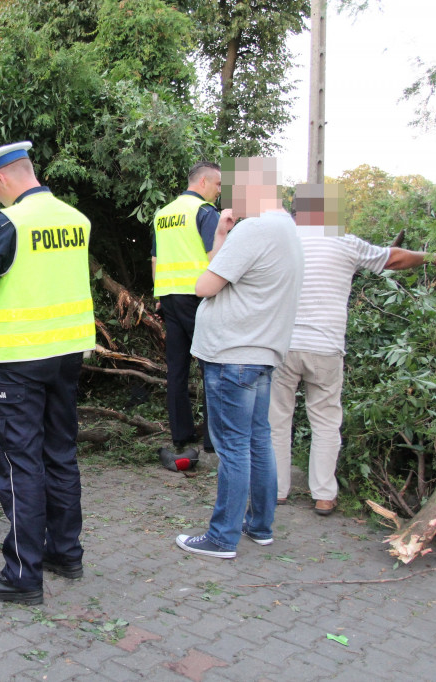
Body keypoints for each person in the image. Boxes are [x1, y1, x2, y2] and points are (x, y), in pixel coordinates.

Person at [0, 141, 95, 604]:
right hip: (67, 356)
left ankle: (22, 574)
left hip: (20, 360)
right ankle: (65, 552)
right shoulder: (75, 219)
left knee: (20, 464)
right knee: (60, 453)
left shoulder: (8, 223)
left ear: (0, 178)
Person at [270, 184, 433, 515]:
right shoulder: (345, 242)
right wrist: (431, 256)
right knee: (326, 419)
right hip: (326, 347)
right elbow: (396, 257)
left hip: (282, 344)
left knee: (277, 420)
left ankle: (277, 490)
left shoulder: (279, 239)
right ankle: (324, 495)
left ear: (296, 210)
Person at [175, 157, 304, 559]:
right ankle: (260, 526)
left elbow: (204, 285)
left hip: (232, 353)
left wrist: (220, 240)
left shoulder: (255, 229)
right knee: (257, 441)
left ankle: (221, 537)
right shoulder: (288, 228)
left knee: (233, 447)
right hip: (262, 352)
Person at [151, 161, 222, 467]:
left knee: (176, 369)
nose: (219, 191)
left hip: (168, 296)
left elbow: (155, 257)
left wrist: (158, 293)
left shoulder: (163, 213)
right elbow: (215, 257)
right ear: (203, 182)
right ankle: (213, 438)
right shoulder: (205, 212)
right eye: (218, 185)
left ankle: (181, 436)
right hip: (198, 296)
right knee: (213, 365)